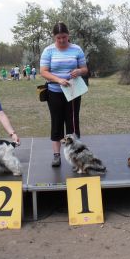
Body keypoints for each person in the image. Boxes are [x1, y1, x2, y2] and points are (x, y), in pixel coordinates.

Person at [40, 22, 89, 167]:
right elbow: (43, 71)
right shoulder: (48, 51)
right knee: (57, 122)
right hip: (54, 92)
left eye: (64, 37)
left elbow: (85, 69)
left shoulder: (76, 49)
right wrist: (58, 80)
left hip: (73, 91)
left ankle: (76, 156)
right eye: (58, 38)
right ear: (54, 37)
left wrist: (79, 71)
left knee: (72, 122)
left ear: (69, 35)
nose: (62, 40)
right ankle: (57, 156)